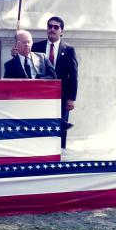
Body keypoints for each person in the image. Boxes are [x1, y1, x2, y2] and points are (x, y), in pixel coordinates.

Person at [31, 16, 78, 148]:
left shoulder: (69, 50)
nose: (52, 29)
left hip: (62, 96)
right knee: (42, 124)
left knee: (60, 126)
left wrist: (72, 98)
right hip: (41, 95)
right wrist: (16, 55)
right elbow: (28, 66)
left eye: (56, 27)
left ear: (61, 31)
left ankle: (60, 153)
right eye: (50, 26)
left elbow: (73, 75)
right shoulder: (36, 47)